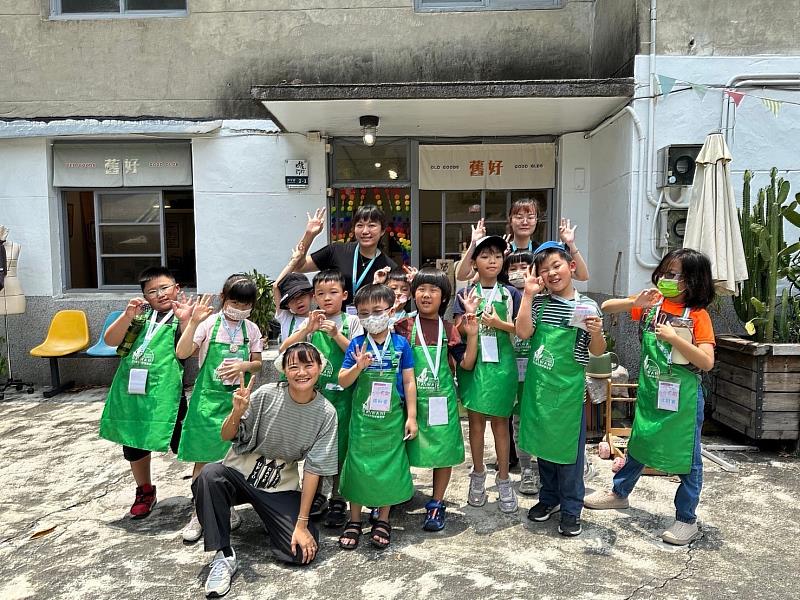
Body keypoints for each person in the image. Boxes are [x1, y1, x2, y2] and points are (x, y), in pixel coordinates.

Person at [584, 248, 716, 546]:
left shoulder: (698, 316)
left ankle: (686, 519)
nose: (667, 279)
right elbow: (606, 306)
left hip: (682, 400)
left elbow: (707, 362)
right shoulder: (655, 303)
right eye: (665, 272)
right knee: (639, 443)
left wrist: (672, 337)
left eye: (675, 275)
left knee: (688, 458)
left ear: (693, 281)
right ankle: (619, 494)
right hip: (651, 391)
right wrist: (634, 301)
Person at [192, 343, 338, 598]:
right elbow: (227, 435)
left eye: (308, 365)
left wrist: (301, 524)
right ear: (283, 369)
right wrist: (237, 413)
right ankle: (223, 554)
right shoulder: (266, 394)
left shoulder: (326, 413)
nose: (301, 372)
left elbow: (314, 470)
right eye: (293, 366)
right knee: (209, 476)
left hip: (280, 483)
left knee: (301, 552)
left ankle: (273, 519)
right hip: (240, 473)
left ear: (320, 368)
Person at [515, 242, 606, 537]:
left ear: (571, 267)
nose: (552, 273)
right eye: (544, 270)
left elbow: (597, 351)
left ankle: (570, 509)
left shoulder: (587, 307)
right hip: (540, 388)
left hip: (567, 393)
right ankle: (549, 498)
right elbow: (523, 332)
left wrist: (596, 332)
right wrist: (528, 295)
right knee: (543, 448)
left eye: (556, 265)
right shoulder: (539, 303)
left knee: (569, 455)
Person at [99, 266, 195, 519]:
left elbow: (189, 349)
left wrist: (187, 320)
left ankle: (202, 488)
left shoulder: (184, 316)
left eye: (165, 287)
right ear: (144, 296)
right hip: (132, 394)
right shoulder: (140, 317)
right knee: (134, 443)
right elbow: (110, 341)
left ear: (177, 288)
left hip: (167, 395)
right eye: (152, 291)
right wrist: (127, 315)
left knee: (187, 441)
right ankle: (144, 490)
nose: (160, 294)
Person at [175, 275, 264, 543]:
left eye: (246, 303)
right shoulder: (209, 323)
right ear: (223, 298)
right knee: (203, 459)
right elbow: (182, 352)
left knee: (232, 458)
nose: (240, 307)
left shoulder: (252, 330)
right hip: (207, 401)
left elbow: (258, 363)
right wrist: (192, 321)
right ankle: (198, 511)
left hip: (236, 401)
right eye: (235, 301)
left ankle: (226, 507)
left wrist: (244, 366)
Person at [280, 269, 363, 527]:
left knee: (341, 448)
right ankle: (315, 495)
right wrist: (307, 329)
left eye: (333, 293)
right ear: (314, 297)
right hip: (315, 398)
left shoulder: (353, 322)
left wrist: (335, 334)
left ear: (345, 295)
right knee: (315, 447)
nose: (326, 299)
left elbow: (359, 353)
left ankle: (339, 498)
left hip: (346, 396)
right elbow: (286, 349)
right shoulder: (310, 322)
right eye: (321, 294)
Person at [395, 268, 477, 531]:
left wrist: (473, 336)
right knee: (397, 449)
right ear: (413, 293)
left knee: (441, 453)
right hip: (406, 401)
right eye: (421, 289)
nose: (426, 295)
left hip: (441, 401)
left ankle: (436, 503)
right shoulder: (402, 326)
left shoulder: (450, 329)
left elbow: (466, 364)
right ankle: (388, 496)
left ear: (444, 297)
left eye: (434, 290)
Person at [337, 284, 418, 550]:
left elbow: (409, 382)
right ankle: (355, 519)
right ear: (357, 316)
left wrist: (412, 417)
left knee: (389, 468)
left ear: (391, 310)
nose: (372, 317)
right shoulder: (357, 345)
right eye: (364, 312)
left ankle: (383, 518)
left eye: (377, 310)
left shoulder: (401, 344)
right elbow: (343, 380)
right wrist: (358, 367)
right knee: (358, 466)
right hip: (362, 421)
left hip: (392, 420)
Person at [454, 235, 521, 514]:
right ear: (474, 262)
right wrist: (468, 319)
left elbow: (522, 329)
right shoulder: (467, 293)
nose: (492, 260)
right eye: (485, 256)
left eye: (497, 255)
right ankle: (478, 474)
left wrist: (498, 323)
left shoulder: (511, 294)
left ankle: (503, 477)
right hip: (476, 363)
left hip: (502, 366)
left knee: (501, 424)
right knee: (477, 423)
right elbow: (456, 330)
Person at [455, 198, 589, 282]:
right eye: (519, 217)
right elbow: (462, 276)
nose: (525, 222)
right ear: (510, 220)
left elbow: (582, 276)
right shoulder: (500, 252)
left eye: (530, 217)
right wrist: (473, 245)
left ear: (537, 221)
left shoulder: (542, 252)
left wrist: (571, 244)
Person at [292, 205, 398, 305]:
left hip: (366, 322)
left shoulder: (388, 267)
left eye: (372, 225)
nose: (365, 231)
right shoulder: (337, 251)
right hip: (331, 320)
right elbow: (298, 266)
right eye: (360, 225)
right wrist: (309, 235)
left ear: (383, 230)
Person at [503, 250, 539, 495]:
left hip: (540, 372)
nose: (519, 272)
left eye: (524, 266)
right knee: (518, 422)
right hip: (513, 371)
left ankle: (547, 467)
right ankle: (526, 469)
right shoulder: (504, 296)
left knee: (543, 420)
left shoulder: (543, 300)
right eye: (513, 268)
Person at [273, 246, 313, 344]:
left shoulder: (319, 318)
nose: (298, 301)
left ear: (311, 296)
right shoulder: (286, 318)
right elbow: (276, 286)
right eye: (292, 299)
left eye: (301, 296)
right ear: (287, 304)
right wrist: (294, 261)